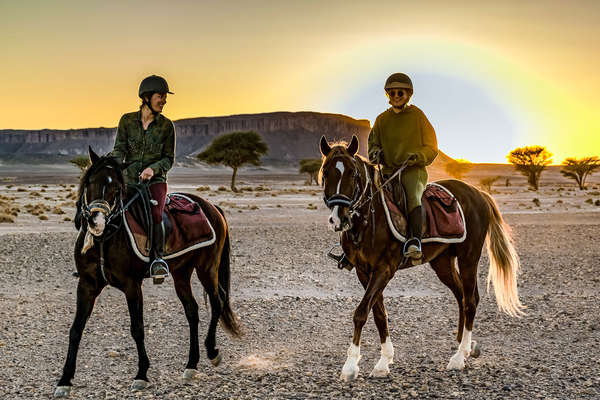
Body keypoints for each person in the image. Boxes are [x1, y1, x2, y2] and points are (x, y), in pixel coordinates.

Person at [110, 74, 176, 281]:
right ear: (147, 97)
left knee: (156, 214)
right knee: (105, 208)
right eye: (161, 96)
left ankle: (157, 260)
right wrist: (112, 166)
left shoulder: (167, 126)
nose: (164, 101)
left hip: (155, 182)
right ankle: (95, 256)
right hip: (128, 180)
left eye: (165, 97)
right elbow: (119, 149)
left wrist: (153, 169)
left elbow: (168, 158)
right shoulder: (127, 121)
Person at [368, 73, 438, 262]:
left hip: (412, 170)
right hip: (388, 171)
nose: (396, 96)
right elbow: (373, 143)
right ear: (388, 95)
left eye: (400, 92)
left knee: (412, 196)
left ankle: (414, 241)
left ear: (408, 94)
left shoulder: (417, 115)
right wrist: (375, 154)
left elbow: (432, 147)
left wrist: (418, 157)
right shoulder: (381, 119)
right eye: (392, 93)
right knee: (366, 196)